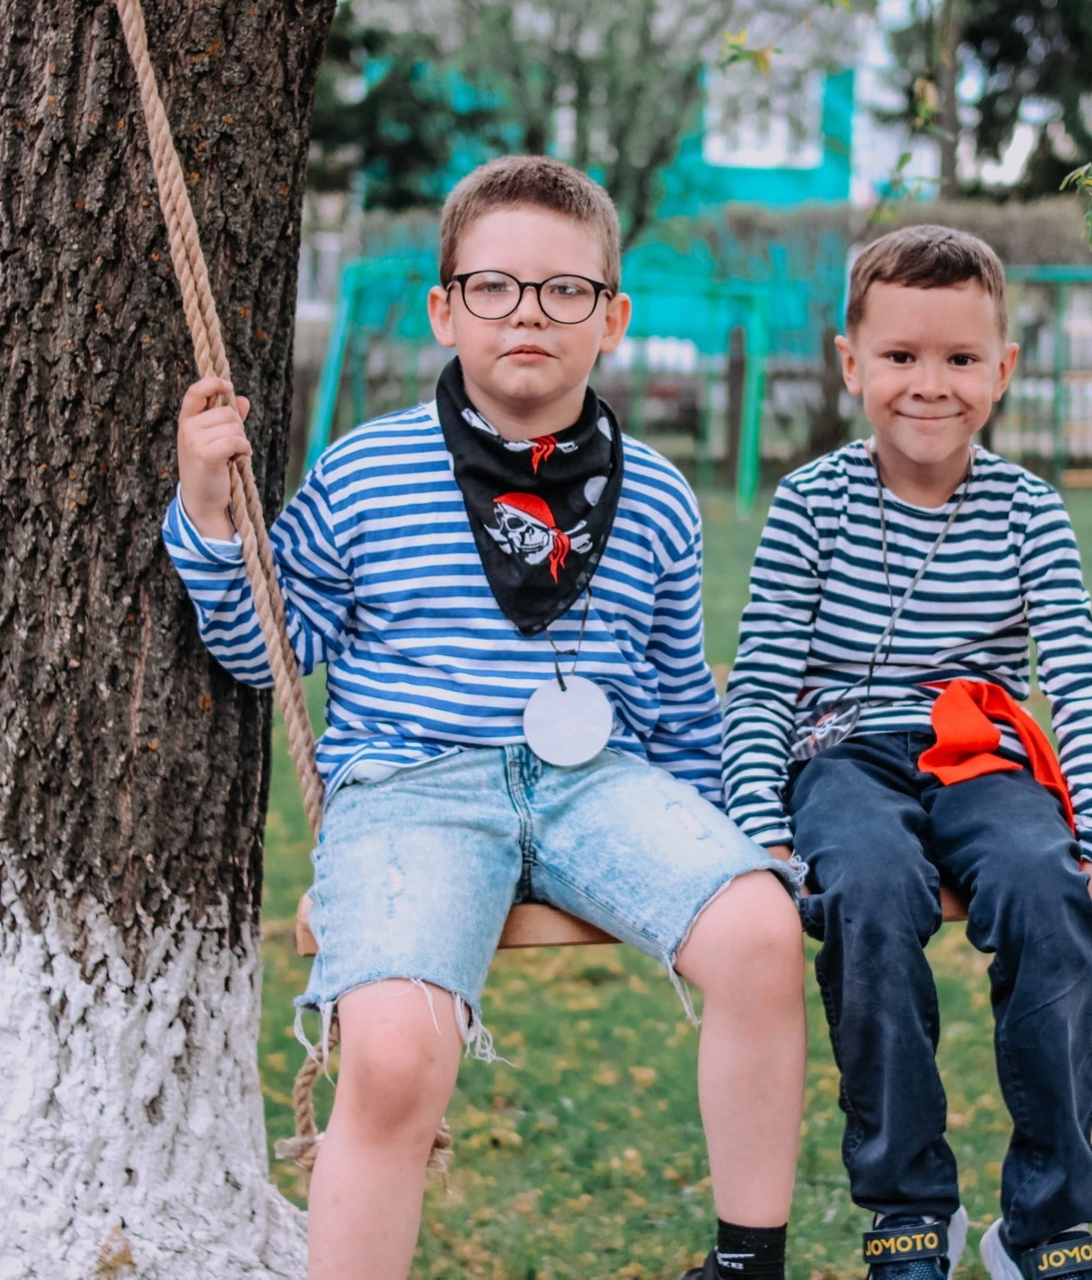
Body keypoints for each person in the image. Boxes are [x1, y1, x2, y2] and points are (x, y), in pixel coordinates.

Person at [165, 155, 806, 1280]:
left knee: (760, 929)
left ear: (612, 318)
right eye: (495, 286)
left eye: (565, 290)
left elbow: (677, 699)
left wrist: (732, 835)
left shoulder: (657, 493)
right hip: (413, 787)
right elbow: (269, 646)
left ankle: (747, 1261)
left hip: (600, 782)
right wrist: (209, 513)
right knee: (397, 1055)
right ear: (444, 309)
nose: (529, 314)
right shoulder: (367, 471)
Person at [722, 225, 1092, 1280]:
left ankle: (1047, 1220)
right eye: (901, 355)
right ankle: (907, 1204)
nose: (930, 384)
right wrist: (764, 832)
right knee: (866, 886)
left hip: (978, 752)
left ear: (1003, 368)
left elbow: (1078, 679)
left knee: (1049, 889)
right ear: (851, 363)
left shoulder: (1030, 511)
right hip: (844, 754)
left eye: (960, 358)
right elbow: (760, 684)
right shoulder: (810, 505)